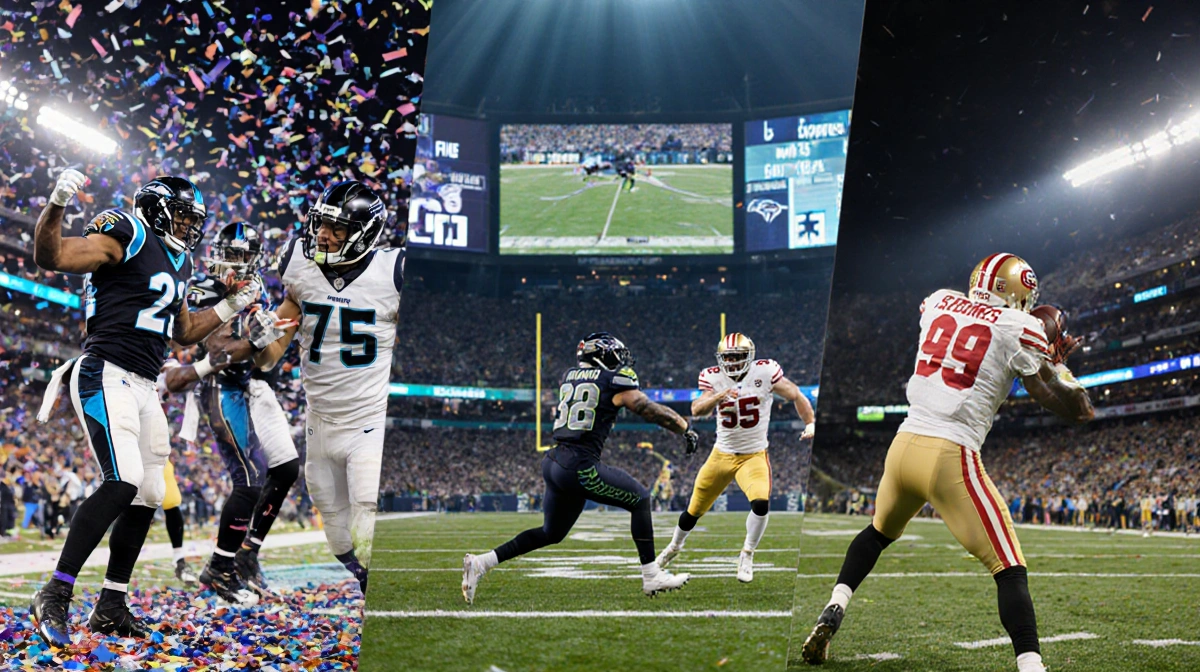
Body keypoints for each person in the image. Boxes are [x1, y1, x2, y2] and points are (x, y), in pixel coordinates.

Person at [799, 254, 1094, 672]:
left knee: (877, 533)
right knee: (1009, 568)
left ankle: (834, 607)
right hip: (949, 455)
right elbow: (1076, 409)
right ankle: (1032, 668)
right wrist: (1057, 363)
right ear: (1017, 293)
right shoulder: (1021, 327)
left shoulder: (938, 301)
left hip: (903, 447)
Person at [29, 171, 259, 646]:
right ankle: (55, 593)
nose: (187, 226)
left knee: (150, 492)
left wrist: (232, 305)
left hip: (144, 383)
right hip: (105, 370)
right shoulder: (129, 233)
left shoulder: (182, 259)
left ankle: (111, 605)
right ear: (155, 210)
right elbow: (51, 255)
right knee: (123, 480)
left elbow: (184, 331)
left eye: (192, 218)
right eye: (180, 215)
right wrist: (56, 205)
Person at [460, 332, 701, 603]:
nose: (619, 361)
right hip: (579, 466)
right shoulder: (615, 380)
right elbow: (646, 408)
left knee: (551, 533)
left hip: (554, 462)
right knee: (640, 498)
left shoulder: (570, 376)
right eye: (615, 355)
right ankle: (651, 575)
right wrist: (684, 427)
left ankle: (481, 563)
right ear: (602, 355)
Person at [251, 180, 405, 593]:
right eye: (321, 224)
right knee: (335, 526)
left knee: (367, 511)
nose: (323, 234)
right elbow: (268, 358)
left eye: (337, 229)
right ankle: (366, 581)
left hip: (370, 419)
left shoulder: (393, 272)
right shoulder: (300, 265)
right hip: (320, 419)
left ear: (366, 232)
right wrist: (260, 336)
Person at [160, 222, 301, 604]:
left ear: (254, 260)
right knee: (250, 480)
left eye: (241, 256)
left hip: (251, 385)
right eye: (229, 253)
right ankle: (220, 569)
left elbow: (268, 362)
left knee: (287, 468)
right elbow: (212, 347)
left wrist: (272, 335)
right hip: (219, 384)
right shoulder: (204, 290)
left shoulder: (257, 293)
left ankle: (247, 552)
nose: (233, 262)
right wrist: (253, 337)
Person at [656, 333, 816, 583]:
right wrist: (720, 395)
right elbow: (696, 410)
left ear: (749, 357)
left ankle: (747, 554)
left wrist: (810, 422)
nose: (731, 361)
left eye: (737, 356)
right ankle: (674, 547)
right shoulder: (712, 377)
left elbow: (795, 394)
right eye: (727, 356)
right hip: (722, 454)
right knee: (693, 510)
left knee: (761, 503)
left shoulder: (765, 372)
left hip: (753, 455)